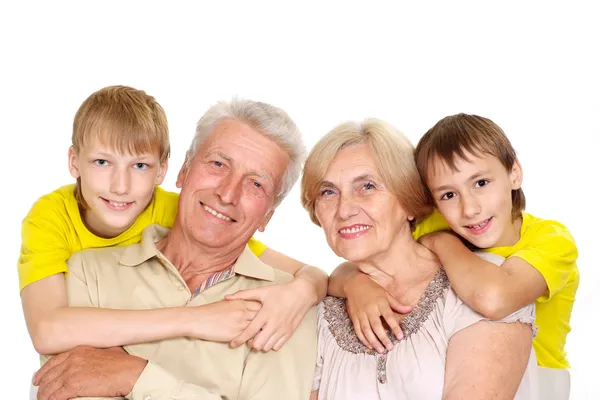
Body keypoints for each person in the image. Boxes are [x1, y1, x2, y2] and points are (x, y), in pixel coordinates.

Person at [33, 98, 318, 400]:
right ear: (183, 171)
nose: (227, 193)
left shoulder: (285, 306)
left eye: (256, 184)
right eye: (218, 164)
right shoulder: (88, 273)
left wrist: (135, 376)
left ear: (267, 216)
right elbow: (68, 388)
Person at [302, 119, 538, 399]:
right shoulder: (319, 315)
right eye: (328, 192)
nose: (344, 210)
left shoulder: (481, 287)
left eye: (366, 187)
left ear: (408, 200)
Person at [328, 114, 578, 374]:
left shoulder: (551, 241)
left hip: (535, 378)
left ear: (514, 173)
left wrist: (442, 242)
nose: (469, 209)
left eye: (481, 183)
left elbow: (493, 299)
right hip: (456, 368)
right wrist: (357, 284)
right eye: (448, 194)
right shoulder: (432, 222)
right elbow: (347, 271)